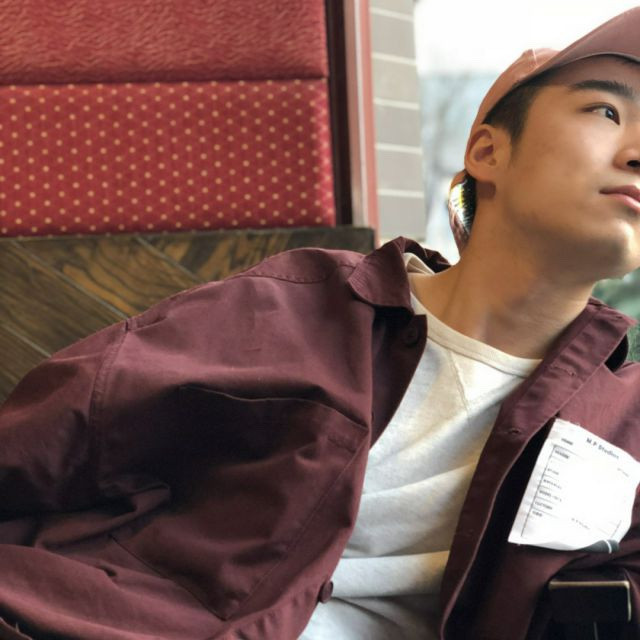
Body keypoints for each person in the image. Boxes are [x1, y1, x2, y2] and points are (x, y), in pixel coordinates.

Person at [1, 7, 640, 640]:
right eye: (607, 112)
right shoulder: (292, 310)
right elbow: (50, 436)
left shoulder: (624, 421)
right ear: (487, 151)